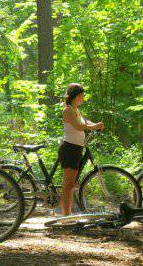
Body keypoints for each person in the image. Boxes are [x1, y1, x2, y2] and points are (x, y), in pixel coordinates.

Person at [58, 83, 104, 216]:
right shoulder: (67, 110)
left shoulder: (75, 109)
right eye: (82, 95)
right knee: (68, 185)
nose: (83, 97)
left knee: (71, 185)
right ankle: (65, 215)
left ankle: (67, 213)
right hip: (69, 149)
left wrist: (95, 124)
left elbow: (85, 121)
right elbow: (78, 126)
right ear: (77, 95)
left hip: (76, 149)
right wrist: (95, 127)